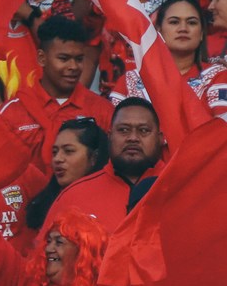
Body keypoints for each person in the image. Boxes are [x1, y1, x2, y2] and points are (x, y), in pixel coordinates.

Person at [0, 17, 113, 173]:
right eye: (63, 59)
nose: (73, 67)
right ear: (41, 58)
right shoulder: (10, 113)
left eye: (79, 59)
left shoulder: (103, 111)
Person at [48, 97, 164, 231]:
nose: (133, 138)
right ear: (109, 136)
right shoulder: (74, 196)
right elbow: (45, 250)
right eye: (123, 130)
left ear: (160, 138)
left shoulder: (181, 188)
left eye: (143, 130)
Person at [112, 0, 227, 116]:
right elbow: (114, 127)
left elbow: (222, 127)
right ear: (159, 31)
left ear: (202, 34)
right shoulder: (131, 80)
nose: (183, 28)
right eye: (174, 22)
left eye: (192, 23)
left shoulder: (218, 75)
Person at [25, 117, 110, 232]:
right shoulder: (42, 204)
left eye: (68, 151)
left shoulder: (112, 200)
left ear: (94, 157)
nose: (57, 159)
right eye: (54, 152)